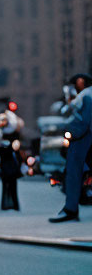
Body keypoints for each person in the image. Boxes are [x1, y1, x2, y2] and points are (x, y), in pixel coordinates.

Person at [50, 73, 92, 222]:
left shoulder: (85, 95)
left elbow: (76, 119)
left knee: (73, 173)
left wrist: (71, 132)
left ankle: (71, 209)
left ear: (81, 82)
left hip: (82, 139)